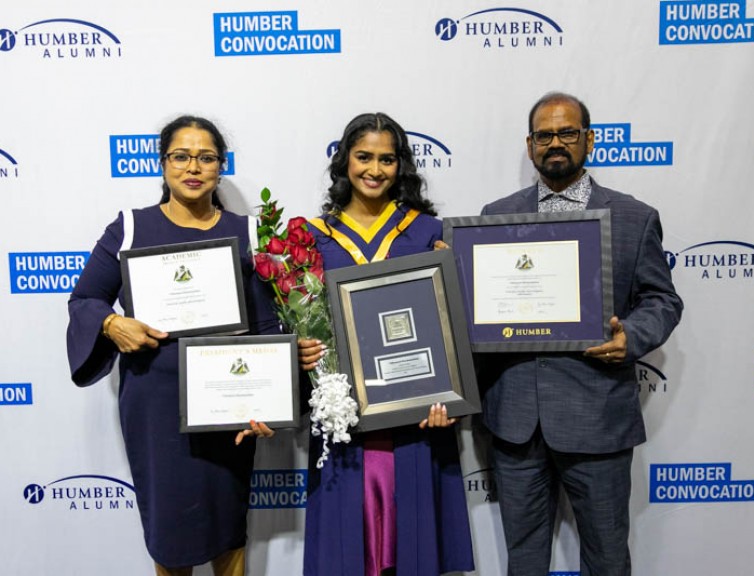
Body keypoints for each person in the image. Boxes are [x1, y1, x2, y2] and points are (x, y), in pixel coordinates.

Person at [479, 92, 683, 576]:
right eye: (544, 135)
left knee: (607, 557)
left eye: (567, 133)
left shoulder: (635, 217)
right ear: (529, 146)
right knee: (523, 560)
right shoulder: (494, 216)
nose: (556, 143)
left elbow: (662, 300)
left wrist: (631, 338)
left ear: (588, 139)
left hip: (598, 416)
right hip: (515, 422)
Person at [66, 115, 279, 576]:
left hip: (227, 403)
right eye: (180, 156)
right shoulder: (129, 228)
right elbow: (84, 299)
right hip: (155, 403)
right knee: (169, 534)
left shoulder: (248, 232)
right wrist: (110, 323)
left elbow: (266, 326)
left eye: (206, 157)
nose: (193, 167)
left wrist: (268, 399)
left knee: (229, 526)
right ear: (163, 165)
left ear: (221, 167)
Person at [297, 112, 475, 576]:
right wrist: (299, 351)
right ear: (343, 161)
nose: (374, 169)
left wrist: (449, 393)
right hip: (344, 422)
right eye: (363, 157)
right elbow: (297, 324)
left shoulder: (427, 233)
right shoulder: (311, 238)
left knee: (413, 546)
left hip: (415, 418)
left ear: (402, 166)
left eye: (387, 159)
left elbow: (450, 330)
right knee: (345, 553)